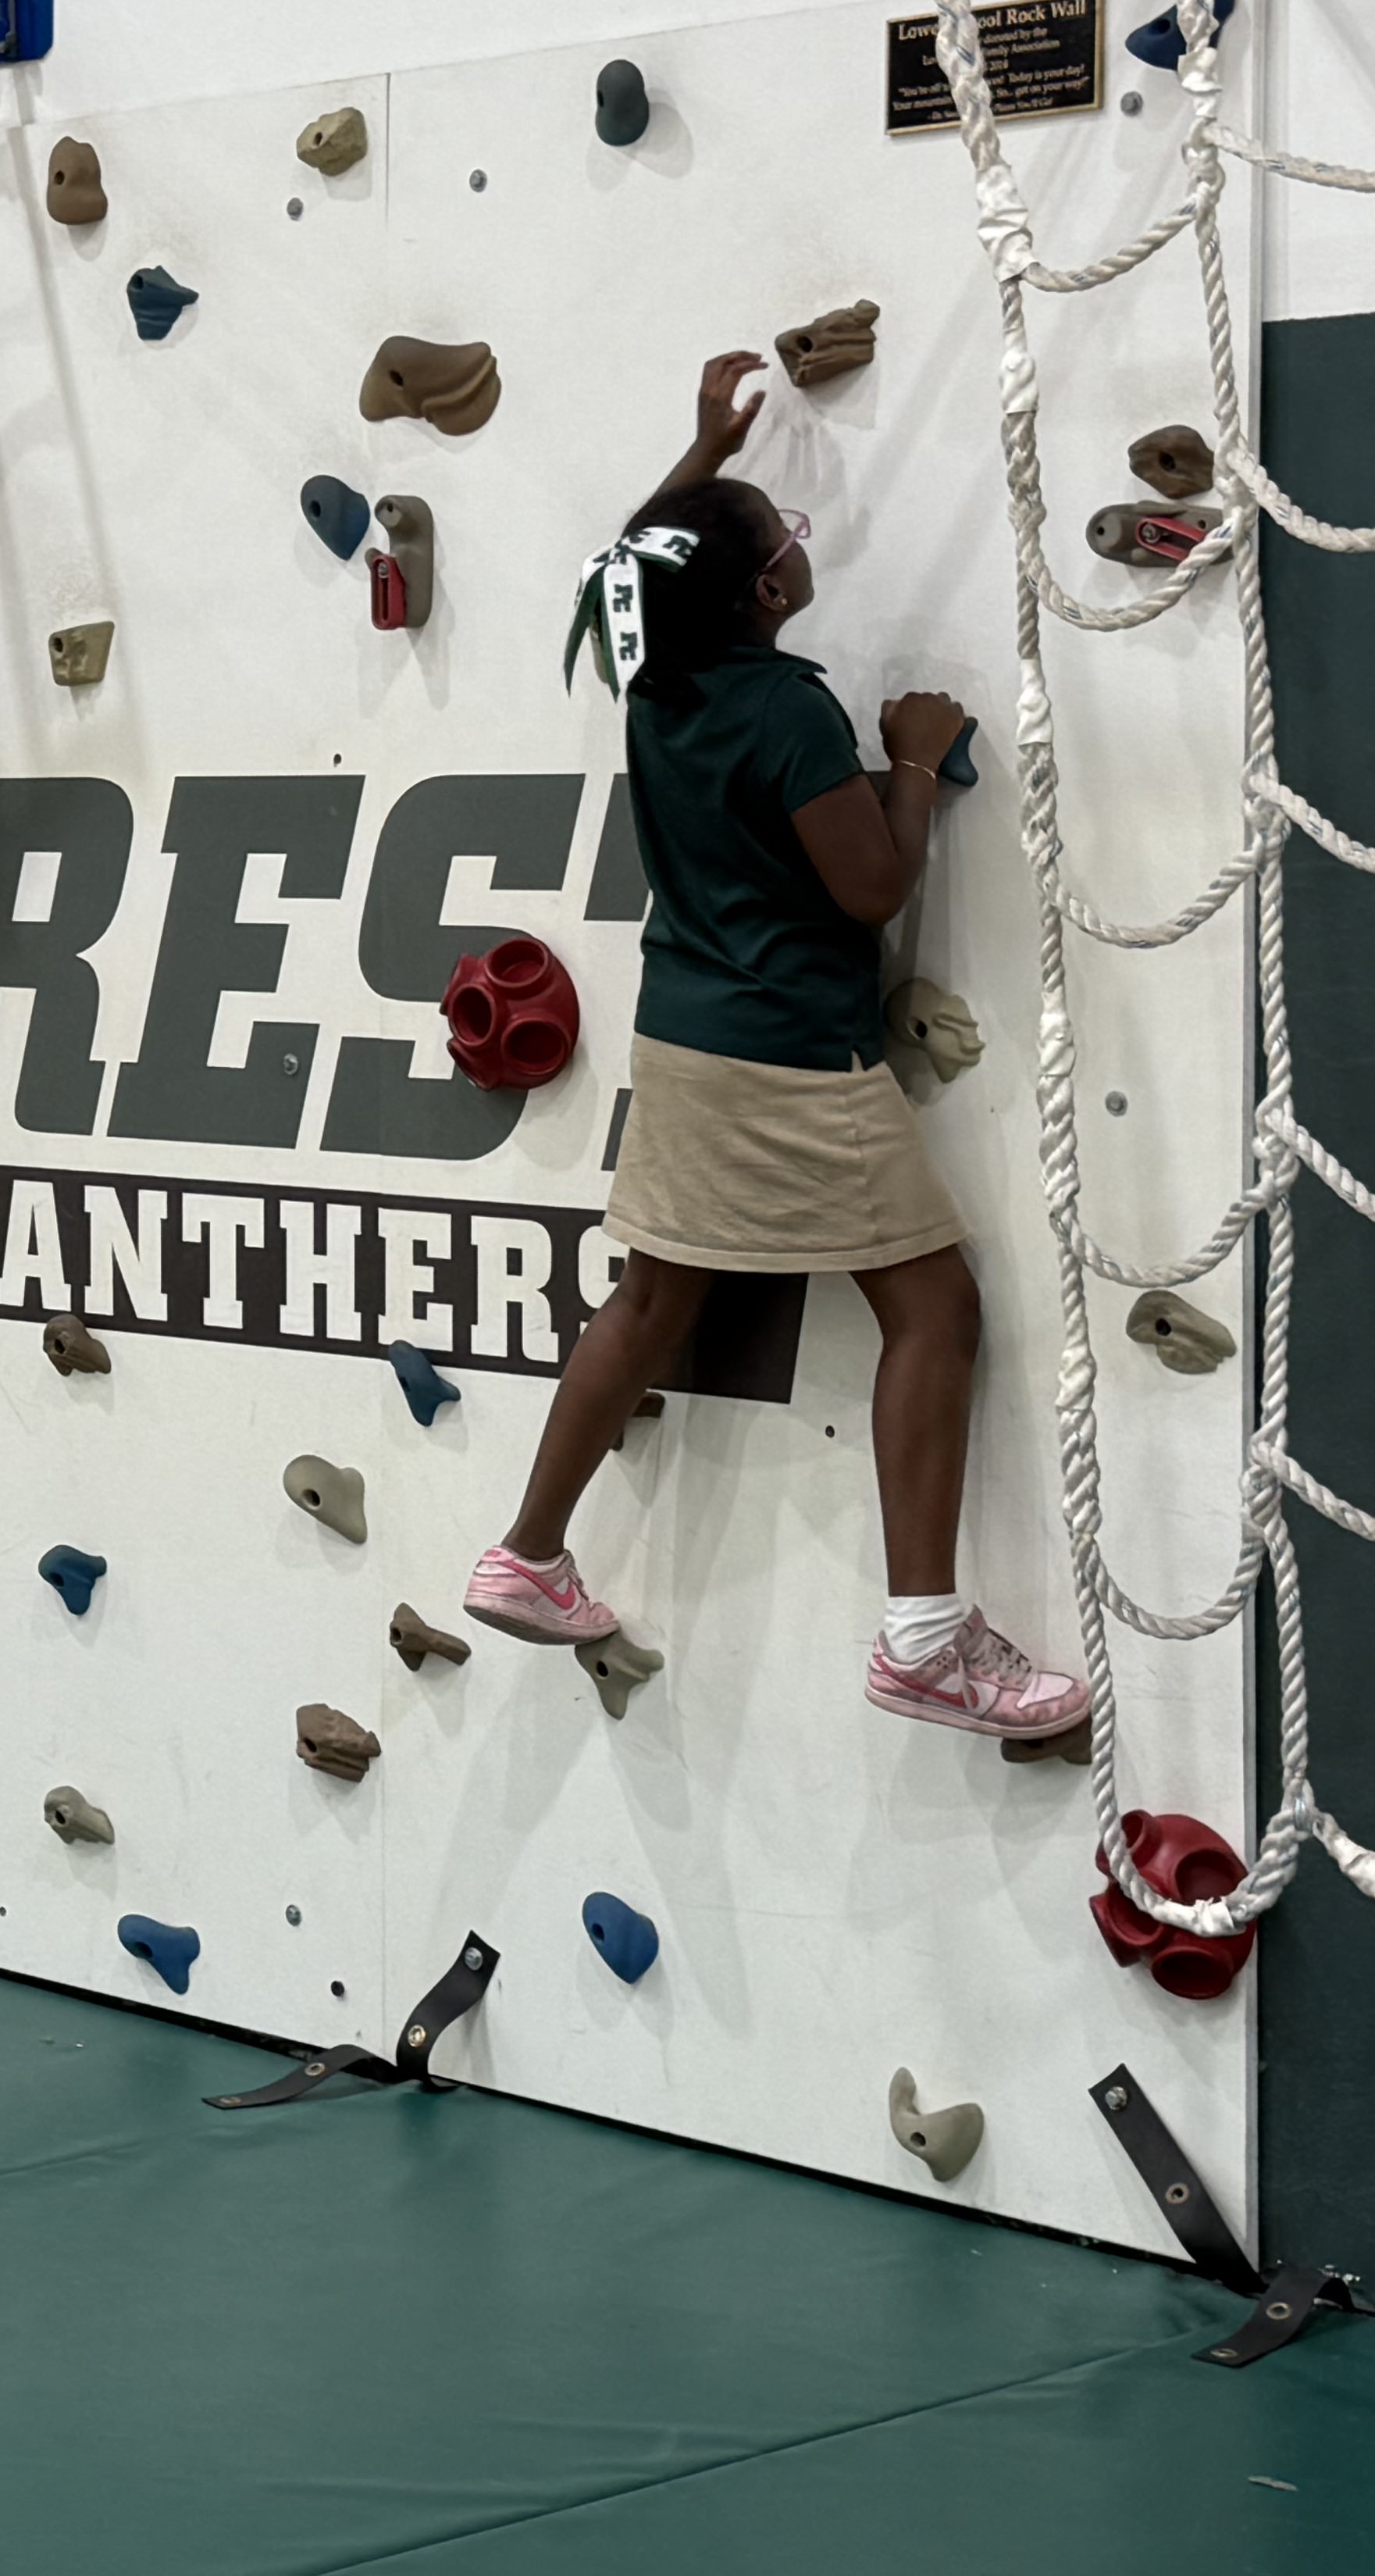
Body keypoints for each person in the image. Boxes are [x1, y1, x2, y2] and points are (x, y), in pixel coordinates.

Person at [466, 349, 1085, 1740]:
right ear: (764, 592)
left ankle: (527, 1551)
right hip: (794, 1060)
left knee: (648, 1303)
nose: (800, 545)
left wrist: (702, 448)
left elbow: (617, 581)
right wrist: (913, 759)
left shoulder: (652, 678)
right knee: (935, 1309)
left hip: (683, 1043)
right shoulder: (785, 709)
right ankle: (924, 1637)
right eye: (783, 537)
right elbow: (869, 889)